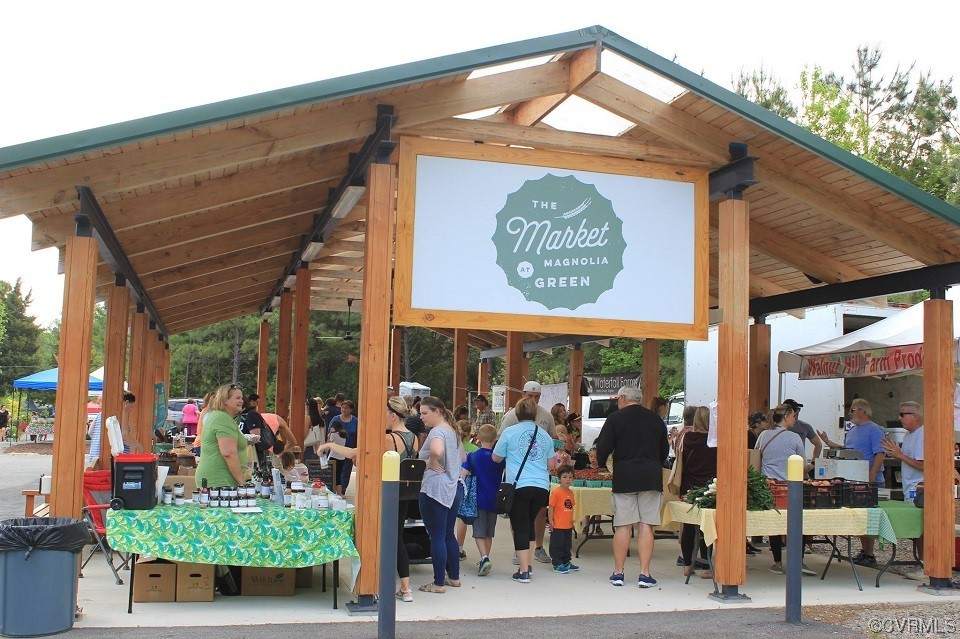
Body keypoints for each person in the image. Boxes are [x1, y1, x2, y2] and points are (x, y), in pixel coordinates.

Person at [318, 396, 420, 601]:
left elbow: (356, 453)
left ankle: (378, 585)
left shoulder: (389, 439)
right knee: (397, 538)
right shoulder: (414, 438)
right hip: (405, 495)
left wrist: (329, 445)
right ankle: (406, 588)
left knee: (379, 538)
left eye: (384, 414)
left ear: (393, 415)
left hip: (386, 494)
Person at [595, 385, 669, 588]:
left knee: (623, 525)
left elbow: (603, 447)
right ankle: (644, 574)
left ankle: (618, 572)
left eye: (618, 399)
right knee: (646, 524)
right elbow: (664, 450)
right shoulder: (655, 419)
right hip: (651, 477)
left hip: (625, 476)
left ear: (624, 398)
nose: (617, 403)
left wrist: (602, 463)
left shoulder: (614, 419)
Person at [492, 397, 556, 584]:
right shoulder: (544, 435)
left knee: (519, 525)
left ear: (517, 413)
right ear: (535, 413)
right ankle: (527, 563)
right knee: (528, 524)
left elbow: (496, 458)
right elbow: (551, 464)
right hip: (542, 486)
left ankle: (523, 571)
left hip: (519, 485)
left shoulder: (510, 432)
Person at [817, 398, 886, 567]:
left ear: (863, 411)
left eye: (852, 410)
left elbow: (880, 453)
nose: (849, 413)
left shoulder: (874, 430)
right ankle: (865, 551)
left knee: (868, 516)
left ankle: (870, 553)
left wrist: (871, 475)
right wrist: (828, 443)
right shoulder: (853, 430)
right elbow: (846, 450)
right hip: (855, 478)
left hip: (869, 479)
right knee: (861, 515)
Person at [756, 403, 813, 575]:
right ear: (786, 416)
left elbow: (756, 455)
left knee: (775, 523)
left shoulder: (763, 435)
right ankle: (798, 561)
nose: (795, 419)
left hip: (769, 485)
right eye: (793, 416)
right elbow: (802, 462)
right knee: (796, 522)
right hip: (790, 487)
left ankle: (777, 562)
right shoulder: (794, 438)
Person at [416, 396, 464, 594]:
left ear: (437, 412)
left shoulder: (437, 432)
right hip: (455, 486)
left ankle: (438, 583)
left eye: (424, 413)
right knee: (448, 535)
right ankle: (454, 577)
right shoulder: (453, 431)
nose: (421, 417)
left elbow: (436, 451)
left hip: (436, 488)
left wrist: (432, 462)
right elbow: (463, 457)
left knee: (436, 537)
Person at [678, 406, 718, 579]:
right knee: (706, 528)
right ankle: (707, 566)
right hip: (710, 488)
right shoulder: (715, 442)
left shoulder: (687, 438)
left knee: (688, 527)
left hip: (689, 487)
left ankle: (688, 565)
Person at [462, 423, 504, 577]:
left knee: (479, 531)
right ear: (495, 439)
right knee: (488, 532)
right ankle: (485, 558)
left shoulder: (473, 456)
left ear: (478, 438)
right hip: (495, 499)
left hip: (477, 499)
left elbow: (462, 475)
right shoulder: (499, 459)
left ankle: (484, 557)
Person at [196, 384, 249, 488]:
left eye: (242, 398)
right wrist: (242, 483)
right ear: (225, 400)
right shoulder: (222, 419)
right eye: (237, 398)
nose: (241, 401)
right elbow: (229, 453)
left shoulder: (220, 417)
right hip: (218, 481)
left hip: (220, 480)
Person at [454, 419, 478, 558]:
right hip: (468, 484)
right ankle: (459, 548)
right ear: (469, 433)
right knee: (462, 517)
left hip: (452, 480)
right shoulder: (475, 449)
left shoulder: (452, 446)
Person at [549, 464, 579, 574]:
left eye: (570, 477)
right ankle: (557, 563)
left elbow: (571, 508)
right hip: (558, 525)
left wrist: (572, 520)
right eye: (565, 477)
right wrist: (551, 521)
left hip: (568, 526)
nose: (568, 479)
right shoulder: (556, 492)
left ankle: (566, 562)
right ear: (559, 478)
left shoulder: (571, 493)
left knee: (567, 545)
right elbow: (551, 507)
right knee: (557, 545)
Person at [781, 399, 824, 469]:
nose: (797, 411)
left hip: (799, 467)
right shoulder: (778, 428)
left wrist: (813, 463)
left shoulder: (805, 426)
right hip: (782, 466)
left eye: (799, 409)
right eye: (795, 409)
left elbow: (818, 444)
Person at [329, 401, 358, 492]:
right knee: (335, 471)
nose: (344, 410)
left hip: (350, 450)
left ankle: (342, 490)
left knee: (346, 471)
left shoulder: (355, 421)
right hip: (337, 450)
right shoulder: (336, 419)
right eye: (342, 408)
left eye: (346, 408)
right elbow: (329, 433)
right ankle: (333, 489)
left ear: (351, 410)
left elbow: (358, 436)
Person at [240, 393, 270, 467]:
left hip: (253, 452)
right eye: (256, 402)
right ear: (251, 401)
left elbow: (255, 436)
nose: (257, 405)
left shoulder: (252, 414)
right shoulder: (243, 414)